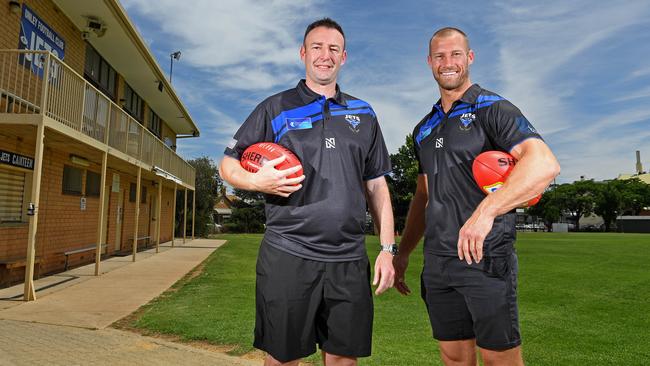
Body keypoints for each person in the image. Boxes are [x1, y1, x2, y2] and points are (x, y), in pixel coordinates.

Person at [219, 18, 396, 366]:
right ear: (303, 53)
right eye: (317, 47)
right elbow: (228, 164)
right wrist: (258, 182)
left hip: (348, 258)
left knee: (344, 359)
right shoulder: (276, 107)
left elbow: (376, 185)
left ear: (343, 57)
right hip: (288, 253)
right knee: (283, 359)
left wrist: (388, 249)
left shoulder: (364, 113)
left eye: (333, 49)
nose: (324, 55)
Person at [393, 27, 560, 366]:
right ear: (429, 62)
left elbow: (544, 164)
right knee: (453, 358)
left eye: (456, 54)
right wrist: (404, 252)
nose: (448, 62)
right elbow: (424, 196)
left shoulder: (492, 108)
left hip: (485, 258)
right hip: (438, 261)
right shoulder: (423, 128)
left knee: (500, 360)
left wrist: (485, 212)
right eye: (439, 56)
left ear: (469, 58)